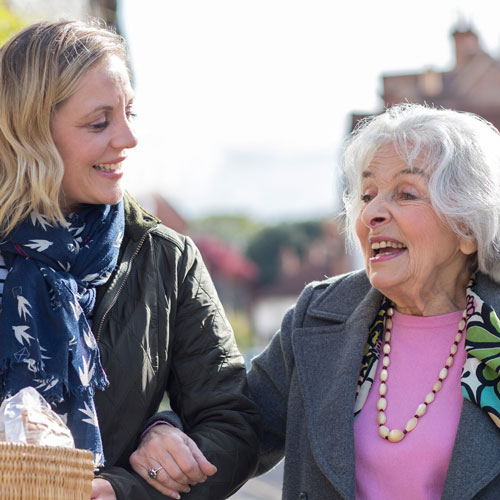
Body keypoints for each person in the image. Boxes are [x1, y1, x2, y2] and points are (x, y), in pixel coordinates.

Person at [134, 102, 500, 499]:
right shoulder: (319, 316)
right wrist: (164, 436)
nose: (372, 212)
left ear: (467, 226)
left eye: (405, 193)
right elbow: (236, 430)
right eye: (368, 194)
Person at [0, 19, 260, 500]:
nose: (127, 138)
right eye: (99, 122)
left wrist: (125, 488)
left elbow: (232, 424)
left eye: (128, 114)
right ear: (30, 132)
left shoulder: (165, 258)